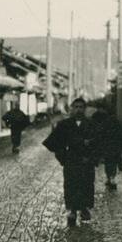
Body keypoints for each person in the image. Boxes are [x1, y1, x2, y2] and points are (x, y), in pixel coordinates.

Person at [43, 97, 98, 227]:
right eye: (76, 107)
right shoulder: (64, 125)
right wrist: (64, 158)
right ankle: (72, 211)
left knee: (87, 184)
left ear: (85, 109)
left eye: (81, 107)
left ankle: (85, 209)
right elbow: (54, 143)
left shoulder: (92, 124)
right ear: (72, 109)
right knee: (71, 184)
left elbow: (99, 143)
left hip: (87, 161)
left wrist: (92, 158)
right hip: (71, 161)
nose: (78, 109)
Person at [92, 107, 122, 190]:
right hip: (116, 147)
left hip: (107, 147)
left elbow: (100, 133)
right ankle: (112, 178)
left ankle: (110, 178)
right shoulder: (118, 122)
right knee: (114, 163)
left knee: (108, 163)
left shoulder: (105, 123)